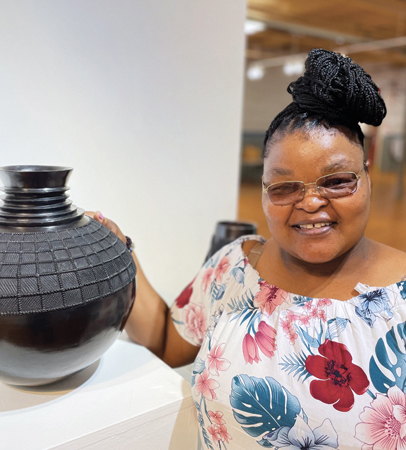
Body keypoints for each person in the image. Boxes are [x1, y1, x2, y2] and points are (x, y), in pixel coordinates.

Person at [88, 49, 406, 449]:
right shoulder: (235, 266)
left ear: (367, 178)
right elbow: (166, 343)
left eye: (337, 181)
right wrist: (123, 253)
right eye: (285, 186)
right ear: (263, 191)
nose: (310, 203)